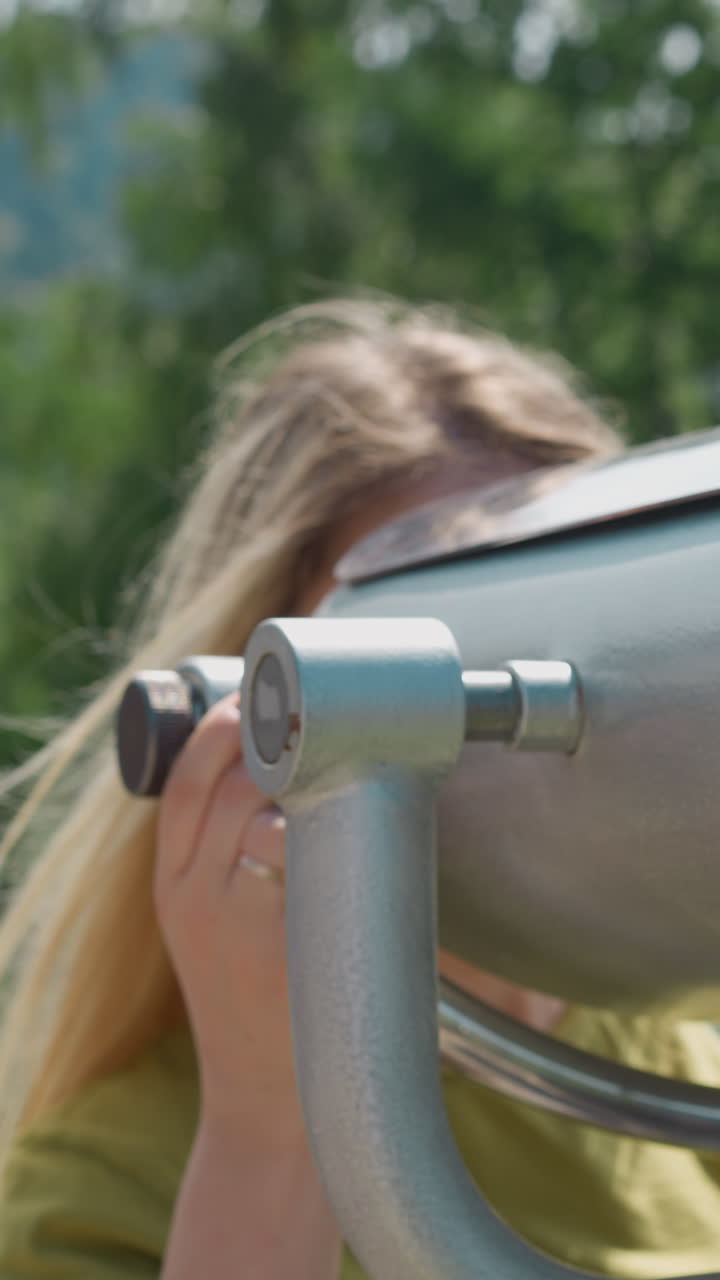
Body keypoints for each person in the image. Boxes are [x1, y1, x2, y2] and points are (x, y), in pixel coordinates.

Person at [0, 297, 719, 1280]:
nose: (496, 726)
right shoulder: (106, 1185)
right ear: (259, 714)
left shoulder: (681, 1084)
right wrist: (275, 1128)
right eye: (421, 662)